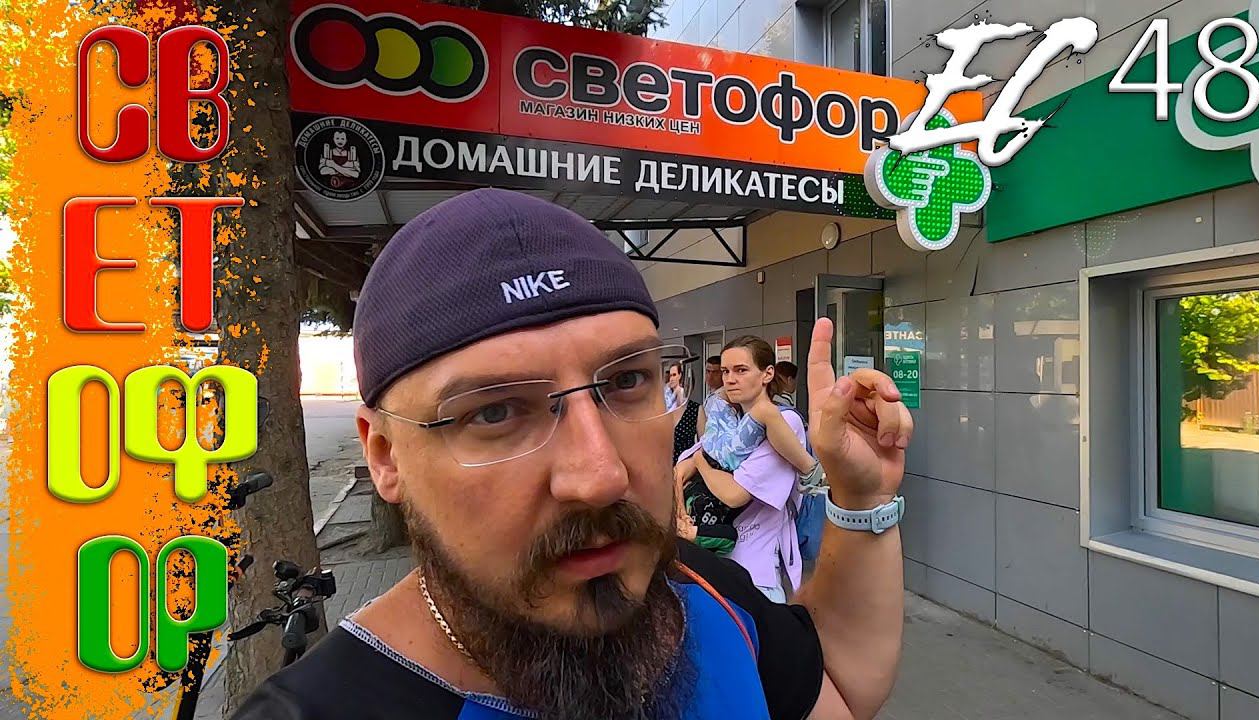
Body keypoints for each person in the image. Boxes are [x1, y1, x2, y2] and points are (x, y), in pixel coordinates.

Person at [233, 188, 913, 720]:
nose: (601, 475)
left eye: (626, 381)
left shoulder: (701, 593)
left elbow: (840, 688)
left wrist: (862, 497)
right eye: (495, 411)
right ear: (386, 457)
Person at [678, 348, 821, 558]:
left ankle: (813, 472)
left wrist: (700, 463)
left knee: (764, 412)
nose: (730, 379)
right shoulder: (727, 413)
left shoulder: (783, 419)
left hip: (757, 555)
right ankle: (812, 472)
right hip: (719, 546)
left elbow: (734, 494)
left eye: (741, 370)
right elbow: (680, 471)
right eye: (725, 371)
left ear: (768, 373)